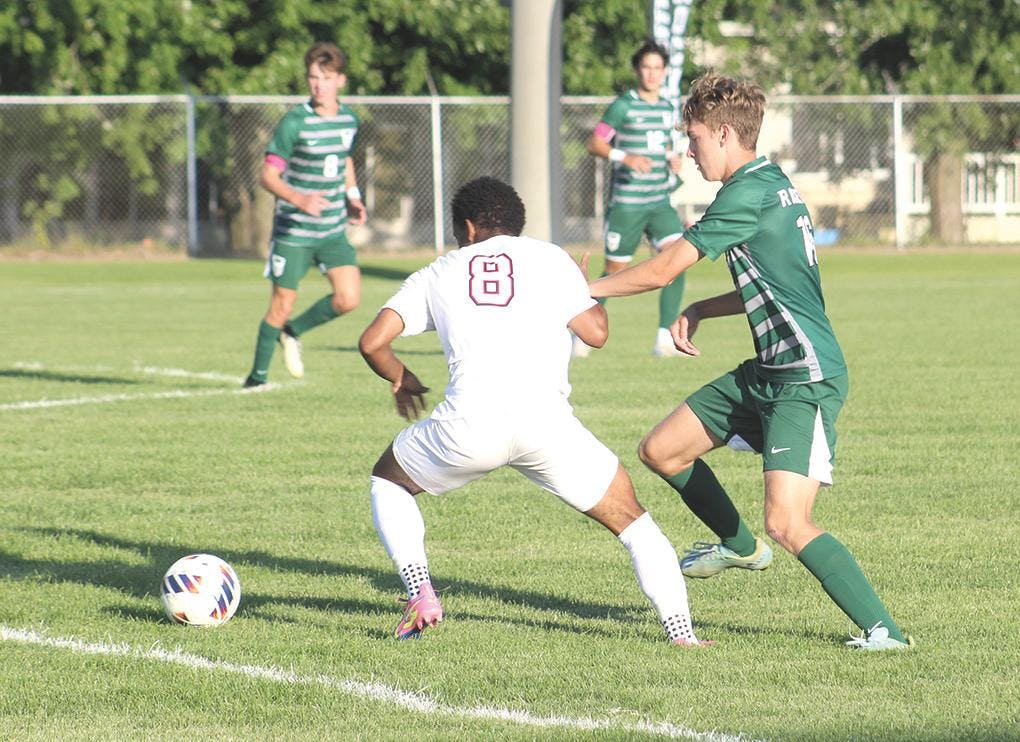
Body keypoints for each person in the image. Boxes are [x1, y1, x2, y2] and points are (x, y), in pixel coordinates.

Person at [588, 74, 912, 650]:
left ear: (723, 133)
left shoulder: (745, 194)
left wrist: (583, 290)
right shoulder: (769, 183)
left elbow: (662, 269)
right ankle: (739, 547)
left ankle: (886, 632)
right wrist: (701, 308)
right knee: (662, 449)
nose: (689, 150)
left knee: (787, 523)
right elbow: (772, 283)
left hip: (804, 379)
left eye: (694, 138)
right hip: (768, 370)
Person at [359, 176, 710, 646]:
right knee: (634, 524)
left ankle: (420, 591)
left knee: (388, 481)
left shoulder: (438, 271)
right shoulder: (551, 259)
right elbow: (596, 334)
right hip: (548, 428)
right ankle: (682, 635)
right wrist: (583, 289)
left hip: (468, 427)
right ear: (515, 223)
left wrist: (402, 377)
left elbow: (372, 342)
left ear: (467, 227)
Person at [243, 41, 367, 387]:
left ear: (340, 80)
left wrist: (353, 197)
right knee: (281, 304)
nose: (318, 85)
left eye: (326, 78)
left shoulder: (349, 120)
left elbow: (344, 159)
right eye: (313, 77)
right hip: (294, 231)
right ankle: (256, 380)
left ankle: (292, 331)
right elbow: (268, 176)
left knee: (348, 299)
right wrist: (300, 199)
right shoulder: (294, 122)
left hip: (331, 230)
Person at [576, 39, 688, 359]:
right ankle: (581, 332)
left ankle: (664, 338)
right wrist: (625, 157)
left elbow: (666, 146)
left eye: (657, 68)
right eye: (646, 67)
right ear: (638, 70)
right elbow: (595, 143)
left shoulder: (667, 108)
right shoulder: (623, 106)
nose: (651, 74)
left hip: (660, 202)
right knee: (614, 272)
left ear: (664, 72)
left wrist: (673, 159)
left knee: (678, 260)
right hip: (627, 204)